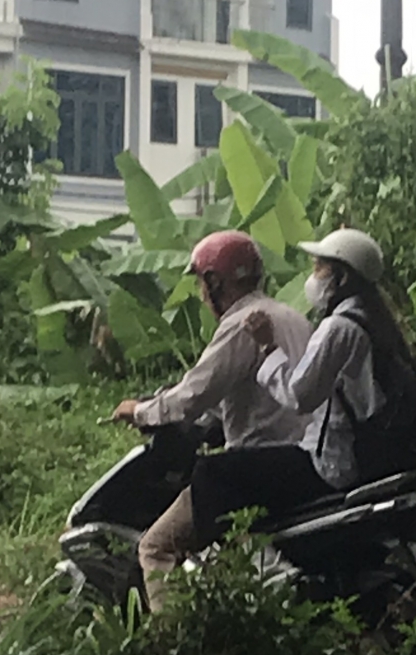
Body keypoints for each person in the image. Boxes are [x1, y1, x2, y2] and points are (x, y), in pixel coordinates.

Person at [112, 230, 313, 609]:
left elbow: (192, 394)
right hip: (301, 463)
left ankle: (172, 646)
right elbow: (233, 397)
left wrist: (140, 412)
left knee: (155, 547)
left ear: (216, 282)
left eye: (203, 284)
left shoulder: (243, 324)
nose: (202, 295)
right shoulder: (292, 317)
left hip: (251, 470)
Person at [244, 228, 413, 492]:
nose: (313, 278)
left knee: (218, 471)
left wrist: (268, 346)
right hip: (366, 454)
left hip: (334, 464)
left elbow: (299, 395)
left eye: (319, 268)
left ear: (342, 276)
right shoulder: (374, 320)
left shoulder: (339, 328)